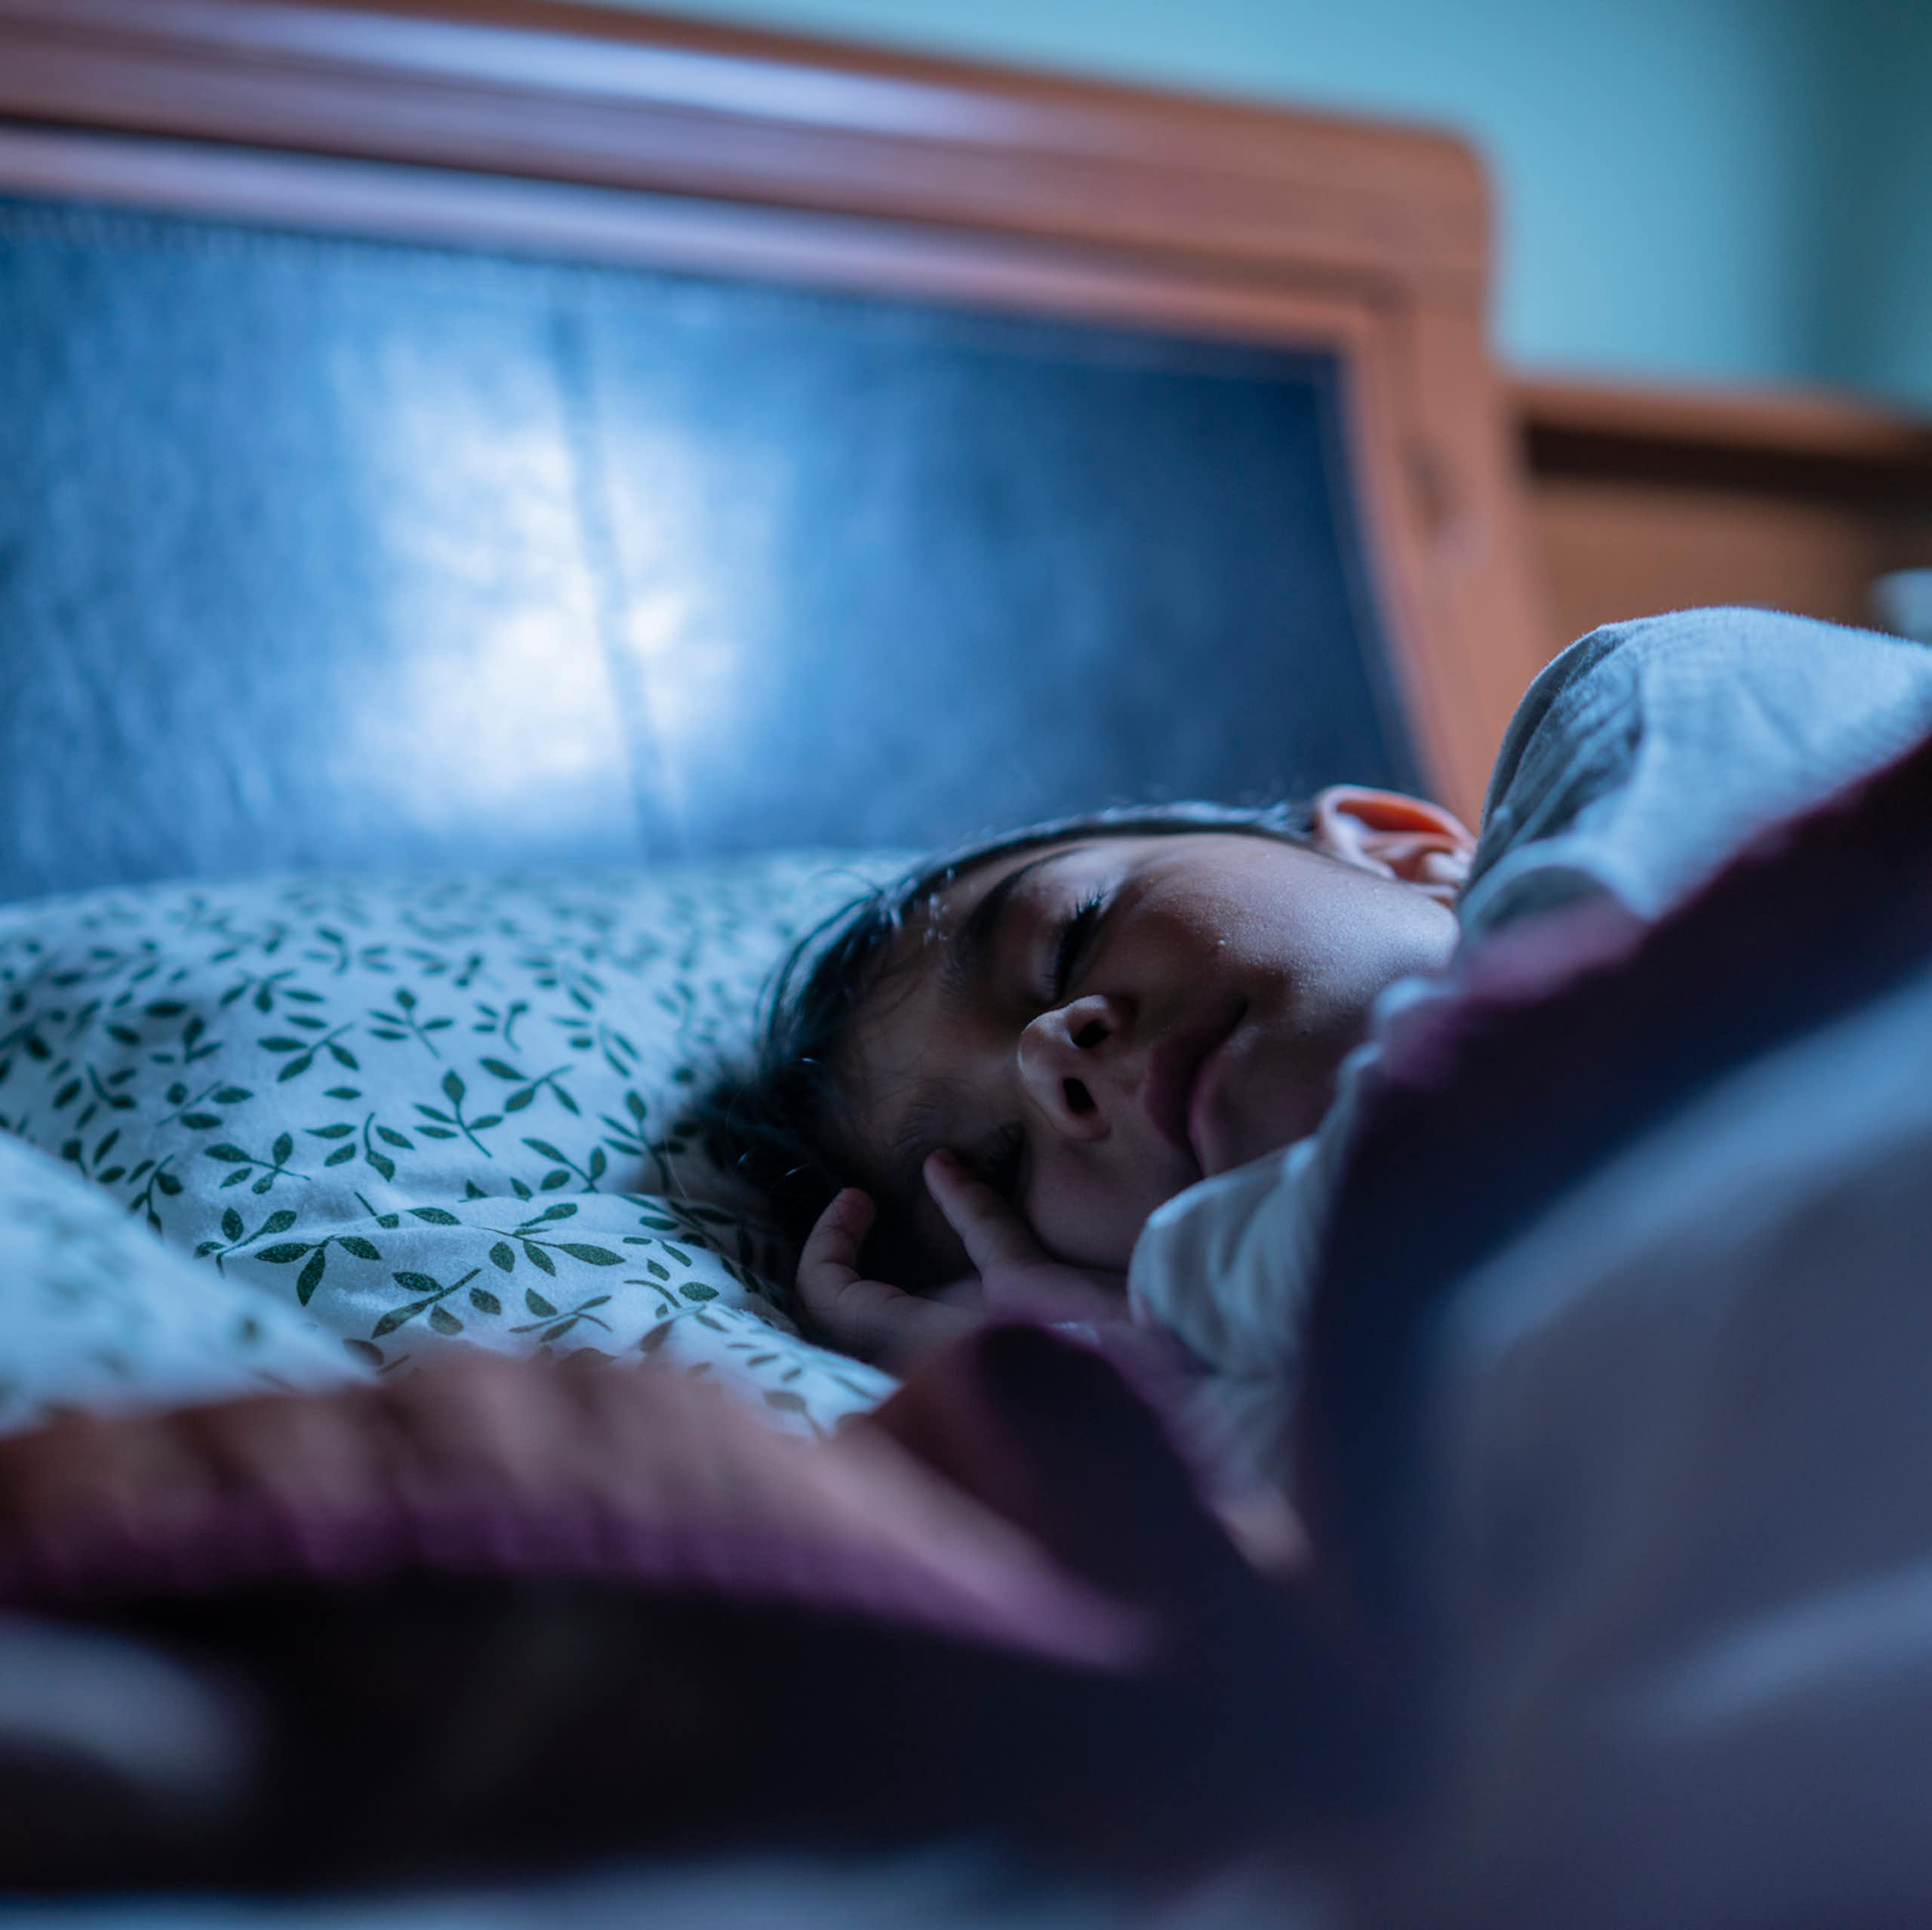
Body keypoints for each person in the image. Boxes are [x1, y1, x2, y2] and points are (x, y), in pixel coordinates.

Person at [718, 607, 1932, 1464]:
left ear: (1399, 845)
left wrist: (1165, 1286)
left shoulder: (1648, 699)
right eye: (989, 1179)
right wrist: (1092, 1389)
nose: (1053, 1063)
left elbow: (1539, 1124)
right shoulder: (1391, 1365)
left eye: (1070, 935)